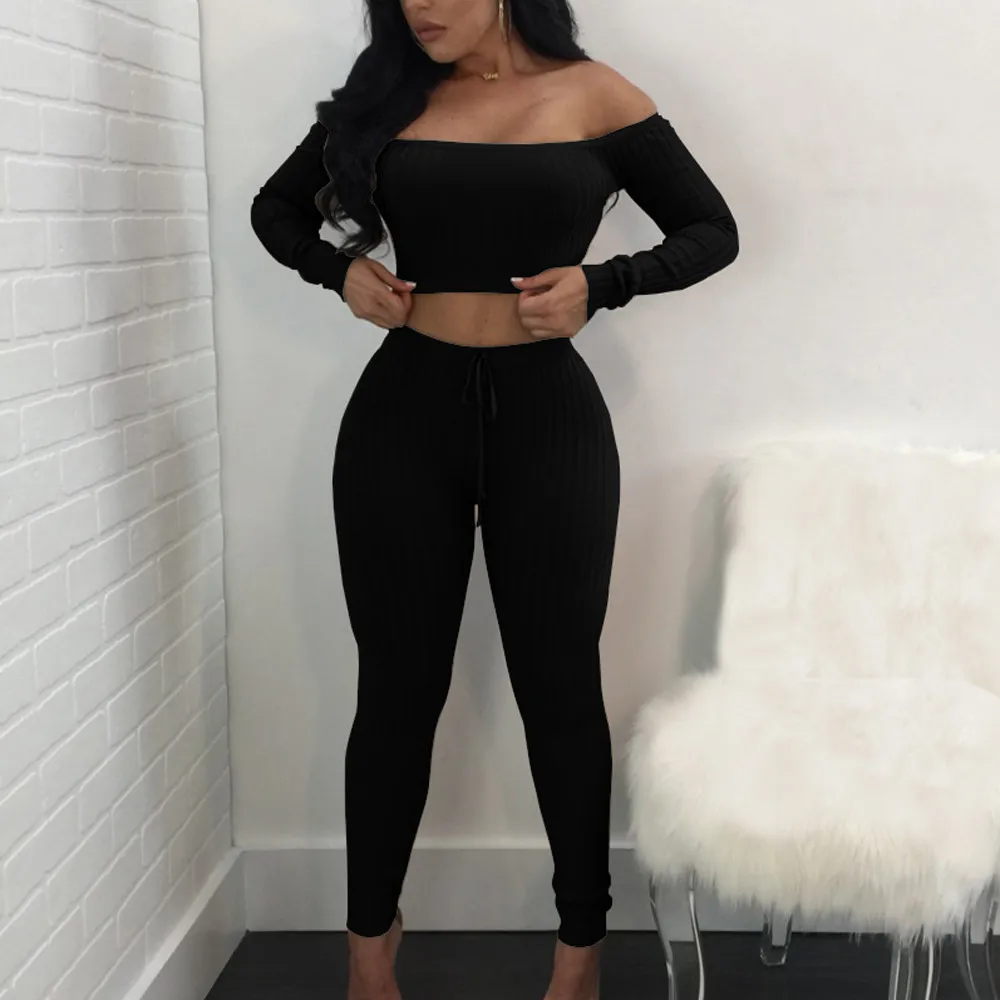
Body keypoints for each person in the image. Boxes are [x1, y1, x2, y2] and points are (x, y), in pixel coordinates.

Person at [250, 0, 738, 996]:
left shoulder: (596, 96)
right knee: (395, 693)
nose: (418, 7)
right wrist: (336, 271)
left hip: (548, 421)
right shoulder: (390, 98)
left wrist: (606, 282)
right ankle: (368, 955)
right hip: (402, 417)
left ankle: (578, 958)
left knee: (559, 691)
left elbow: (711, 230)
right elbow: (275, 209)